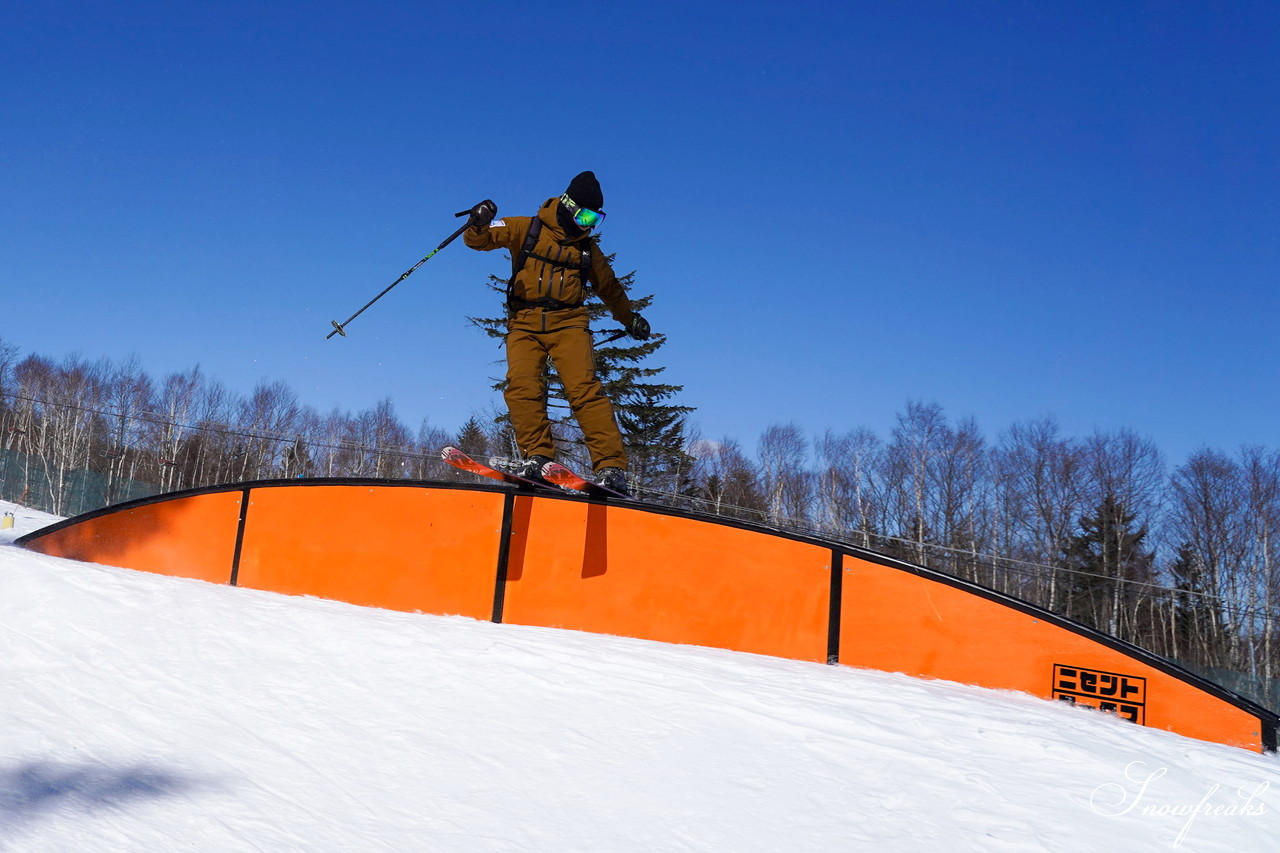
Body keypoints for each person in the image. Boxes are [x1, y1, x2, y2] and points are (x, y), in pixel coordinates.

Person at [463, 171, 650, 495]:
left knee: (585, 390)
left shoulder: (587, 250)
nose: (589, 224)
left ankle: (611, 468)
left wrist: (629, 319)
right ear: (568, 205)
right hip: (524, 322)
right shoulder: (525, 228)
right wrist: (477, 222)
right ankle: (537, 458)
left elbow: (609, 288)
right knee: (522, 386)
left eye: (596, 218)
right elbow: (478, 241)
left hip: (570, 323)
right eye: (586, 215)